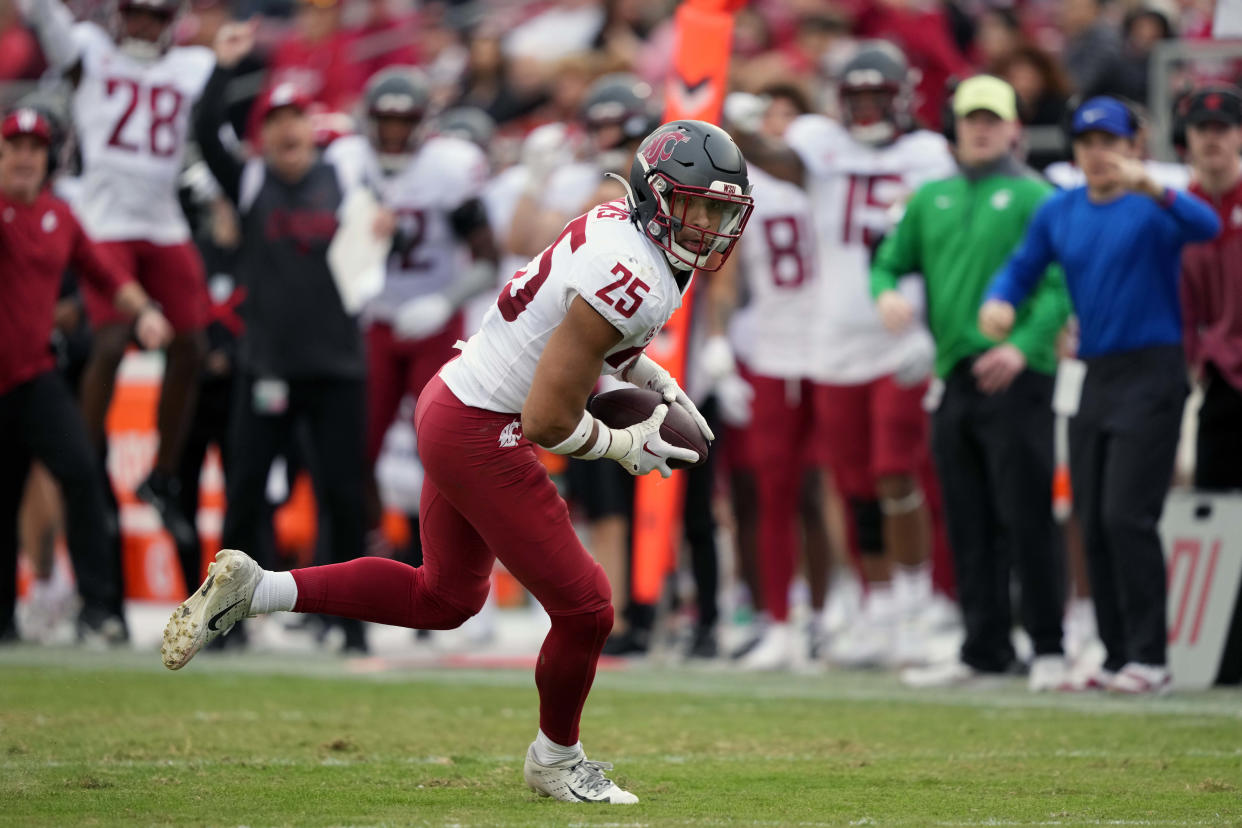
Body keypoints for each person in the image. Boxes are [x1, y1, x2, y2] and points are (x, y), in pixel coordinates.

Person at [163, 119, 754, 804]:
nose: (709, 225)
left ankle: (256, 588)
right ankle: (557, 760)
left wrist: (650, 377)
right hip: (482, 426)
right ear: (657, 197)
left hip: (456, 399)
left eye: (720, 210)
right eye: (696, 206)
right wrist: (622, 445)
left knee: (443, 598)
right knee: (587, 606)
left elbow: (576, 333)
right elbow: (547, 420)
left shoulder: (619, 225)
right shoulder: (635, 274)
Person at [980, 96, 1220, 694]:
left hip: (1152, 370)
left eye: (1109, 141)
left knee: (1126, 515)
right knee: (1091, 516)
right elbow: (1022, 265)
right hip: (1094, 373)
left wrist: (1154, 186)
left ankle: (1150, 656)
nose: (1099, 153)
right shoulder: (1062, 211)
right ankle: (1117, 656)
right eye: (1088, 143)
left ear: (1132, 145)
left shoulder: (1153, 206)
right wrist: (1001, 298)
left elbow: (1207, 225)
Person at [193, 22, 390, 654]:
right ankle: (225, 623)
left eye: (293, 119)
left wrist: (390, 229)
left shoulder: (347, 181)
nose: (284, 131)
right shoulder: (251, 182)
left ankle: (348, 623)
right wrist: (223, 72)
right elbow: (203, 132)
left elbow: (388, 244)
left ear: (311, 127)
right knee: (247, 492)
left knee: (340, 495)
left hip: (337, 366)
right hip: (269, 365)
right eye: (273, 120)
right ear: (264, 132)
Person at [871, 76, 1071, 691]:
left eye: (992, 119)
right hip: (954, 372)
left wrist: (1021, 346)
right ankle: (983, 646)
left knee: (1027, 513)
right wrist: (884, 295)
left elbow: (1061, 283)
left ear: (1014, 127)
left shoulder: (1039, 197)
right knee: (966, 517)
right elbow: (886, 260)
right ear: (955, 127)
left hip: (1019, 375)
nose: (981, 129)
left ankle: (1048, 647)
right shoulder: (932, 198)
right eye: (970, 119)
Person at [19, 0, 215, 551]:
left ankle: (162, 474)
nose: (143, 26)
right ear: (118, 15)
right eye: (135, 13)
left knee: (192, 345)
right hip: (105, 221)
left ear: (170, 21)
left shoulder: (190, 66)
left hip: (164, 221)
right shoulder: (91, 54)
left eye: (155, 16)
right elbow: (47, 22)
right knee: (107, 345)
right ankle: (82, 465)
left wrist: (229, 61)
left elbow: (222, 98)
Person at [784, 42, 956, 669]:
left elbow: (946, 247)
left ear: (900, 96)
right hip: (834, 338)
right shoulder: (818, 144)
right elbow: (774, 160)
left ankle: (915, 605)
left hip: (899, 337)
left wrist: (934, 335)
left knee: (895, 471)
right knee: (854, 484)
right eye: (853, 97)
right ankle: (878, 609)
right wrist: (731, 119)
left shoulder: (929, 155)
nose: (863, 109)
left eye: (874, 96)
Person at [0, 107, 172, 643]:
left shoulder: (60, 218)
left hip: (36, 376)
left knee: (81, 474)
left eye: (35, 147)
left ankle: (98, 608)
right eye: (14, 147)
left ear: (50, 157)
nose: (25, 157)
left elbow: (104, 271)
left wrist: (144, 310)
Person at [347, 66, 499, 552]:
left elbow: (488, 261)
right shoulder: (348, 162)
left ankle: (441, 557)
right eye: (384, 122)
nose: (392, 133)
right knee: (356, 446)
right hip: (375, 321)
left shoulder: (447, 167)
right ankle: (373, 544)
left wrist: (442, 302)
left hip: (435, 323)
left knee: (443, 447)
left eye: (403, 121)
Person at [1179, 85, 1242, 491]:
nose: (1212, 138)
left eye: (1223, 128)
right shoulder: (1181, 208)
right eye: (1202, 129)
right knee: (1213, 503)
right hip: (1218, 376)